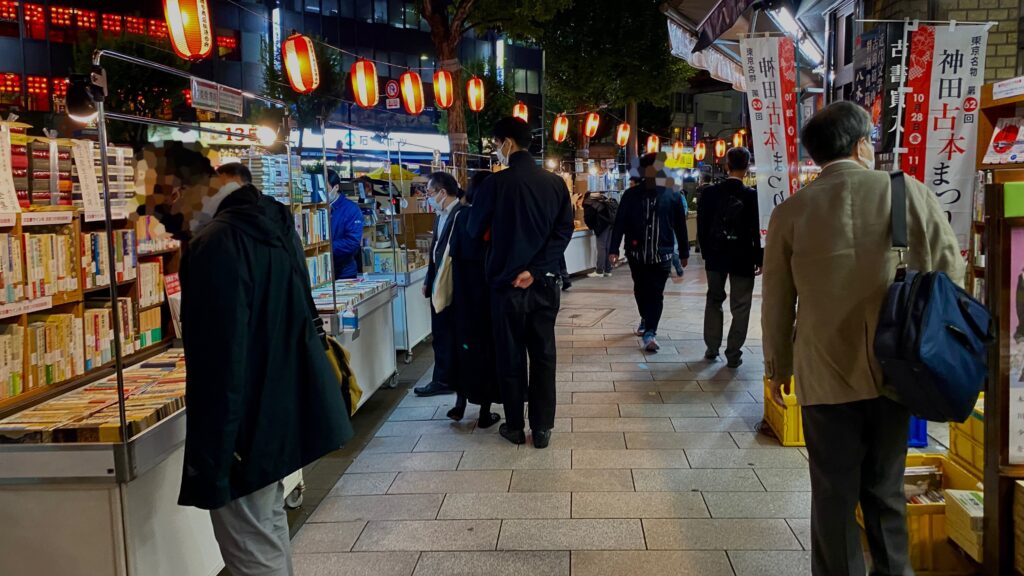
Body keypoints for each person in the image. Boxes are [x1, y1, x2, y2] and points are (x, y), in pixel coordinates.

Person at [762, 101, 963, 576]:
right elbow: (949, 273)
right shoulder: (907, 192)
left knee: (832, 493)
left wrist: (778, 368)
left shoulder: (791, 211)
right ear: (861, 144)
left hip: (824, 371)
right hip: (896, 368)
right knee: (885, 487)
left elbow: (776, 301)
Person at [136, 145, 353, 576]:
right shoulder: (269, 222)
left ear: (178, 192)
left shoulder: (215, 245)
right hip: (277, 412)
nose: (159, 219)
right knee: (267, 534)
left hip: (243, 430)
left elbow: (220, 363)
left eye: (156, 205)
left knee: (252, 553)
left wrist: (216, 457)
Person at [468, 117, 573, 449]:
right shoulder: (555, 184)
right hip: (544, 286)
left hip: (505, 287)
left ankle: (514, 426)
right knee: (543, 355)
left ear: (507, 144)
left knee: (510, 356)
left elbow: (473, 231)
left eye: (496, 144)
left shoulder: (494, 186)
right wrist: (538, 269)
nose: (496, 151)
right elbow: (563, 231)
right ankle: (542, 429)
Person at [609, 153, 689, 352]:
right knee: (640, 289)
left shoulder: (673, 194)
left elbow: (680, 226)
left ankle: (650, 332)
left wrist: (685, 252)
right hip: (636, 253)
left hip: (662, 253)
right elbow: (620, 224)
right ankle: (645, 317)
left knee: (656, 293)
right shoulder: (631, 195)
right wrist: (613, 250)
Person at [697, 147, 762, 368]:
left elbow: (702, 226)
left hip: (716, 256)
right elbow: (757, 230)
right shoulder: (753, 197)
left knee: (714, 299)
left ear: (727, 165)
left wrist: (706, 252)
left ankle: (712, 347)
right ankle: (733, 353)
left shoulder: (709, 194)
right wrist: (759, 258)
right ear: (747, 167)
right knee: (741, 305)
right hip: (743, 257)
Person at [446, 170, 501, 428]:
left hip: (462, 297)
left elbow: (450, 253)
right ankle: (484, 413)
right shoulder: (492, 218)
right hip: (487, 297)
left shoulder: (459, 216)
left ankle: (459, 403)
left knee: (464, 346)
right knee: (488, 350)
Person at [413, 172, 462, 398]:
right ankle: (444, 377)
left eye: (431, 193)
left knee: (448, 332)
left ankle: (445, 378)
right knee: (440, 332)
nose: (429, 198)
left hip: (453, 284)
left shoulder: (461, 214)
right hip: (437, 283)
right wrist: (428, 279)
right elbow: (435, 250)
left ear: (443, 192)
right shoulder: (439, 215)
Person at [328, 169, 364, 279]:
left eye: (326, 189)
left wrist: (326, 248)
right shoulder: (315, 208)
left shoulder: (351, 210)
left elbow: (352, 242)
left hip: (344, 272)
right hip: (322, 272)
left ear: (336, 187)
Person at [583, 191, 618, 277]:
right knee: (607, 247)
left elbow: (588, 218)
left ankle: (599, 271)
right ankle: (608, 270)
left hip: (603, 225)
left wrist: (591, 227)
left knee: (601, 247)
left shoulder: (588, 203)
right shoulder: (600, 200)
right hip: (611, 224)